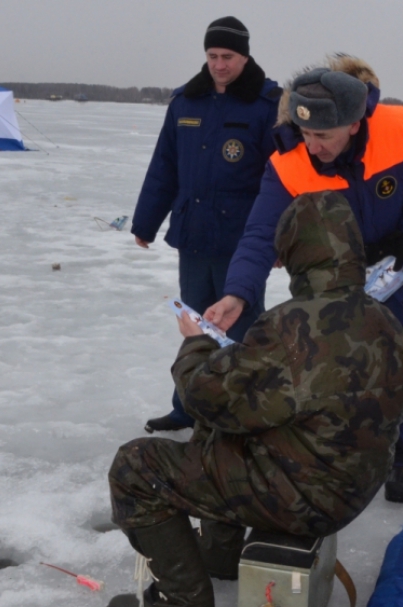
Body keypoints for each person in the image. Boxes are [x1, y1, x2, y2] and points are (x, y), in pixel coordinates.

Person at [105, 191, 403, 607]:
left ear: (293, 253)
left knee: (135, 468)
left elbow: (203, 396)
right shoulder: (385, 320)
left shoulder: (291, 324)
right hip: (351, 487)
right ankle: (218, 555)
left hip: (303, 498)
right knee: (229, 428)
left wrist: (196, 344)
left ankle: (184, 604)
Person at [206, 55, 403, 503]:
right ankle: (345, 449)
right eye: (305, 133)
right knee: (336, 361)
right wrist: (238, 293)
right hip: (328, 270)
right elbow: (261, 231)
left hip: (398, 259)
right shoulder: (288, 161)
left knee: (401, 352)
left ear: (354, 124)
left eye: (323, 136)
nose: (312, 146)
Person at [130, 16, 281, 433]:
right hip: (194, 233)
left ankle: (246, 411)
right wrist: (146, 221)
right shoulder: (186, 101)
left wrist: (281, 241)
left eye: (227, 56)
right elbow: (164, 167)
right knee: (194, 324)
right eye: (212, 56)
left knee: (244, 328)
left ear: (244, 55)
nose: (218, 64)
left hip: (244, 242)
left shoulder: (268, 104)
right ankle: (187, 406)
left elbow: (286, 178)